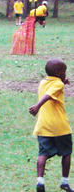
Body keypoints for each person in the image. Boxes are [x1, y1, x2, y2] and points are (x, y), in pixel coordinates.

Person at [29, 59, 72, 192]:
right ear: (59, 73)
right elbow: (48, 95)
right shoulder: (58, 84)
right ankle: (64, 182)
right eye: (64, 72)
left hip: (43, 126)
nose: (65, 74)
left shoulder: (43, 82)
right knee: (67, 153)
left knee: (43, 154)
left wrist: (62, 83)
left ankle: (40, 182)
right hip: (59, 126)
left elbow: (51, 89)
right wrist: (37, 106)